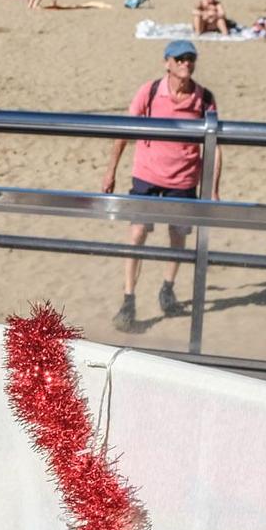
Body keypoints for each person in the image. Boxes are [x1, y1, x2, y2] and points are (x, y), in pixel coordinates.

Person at [103, 40, 221, 333]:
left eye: (190, 58)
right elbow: (125, 131)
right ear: (167, 62)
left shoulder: (204, 98)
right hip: (146, 176)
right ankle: (128, 299)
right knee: (137, 234)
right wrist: (111, 171)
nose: (186, 63)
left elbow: (214, 146)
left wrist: (214, 188)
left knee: (178, 237)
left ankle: (167, 288)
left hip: (183, 181)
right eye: (179, 58)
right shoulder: (150, 91)